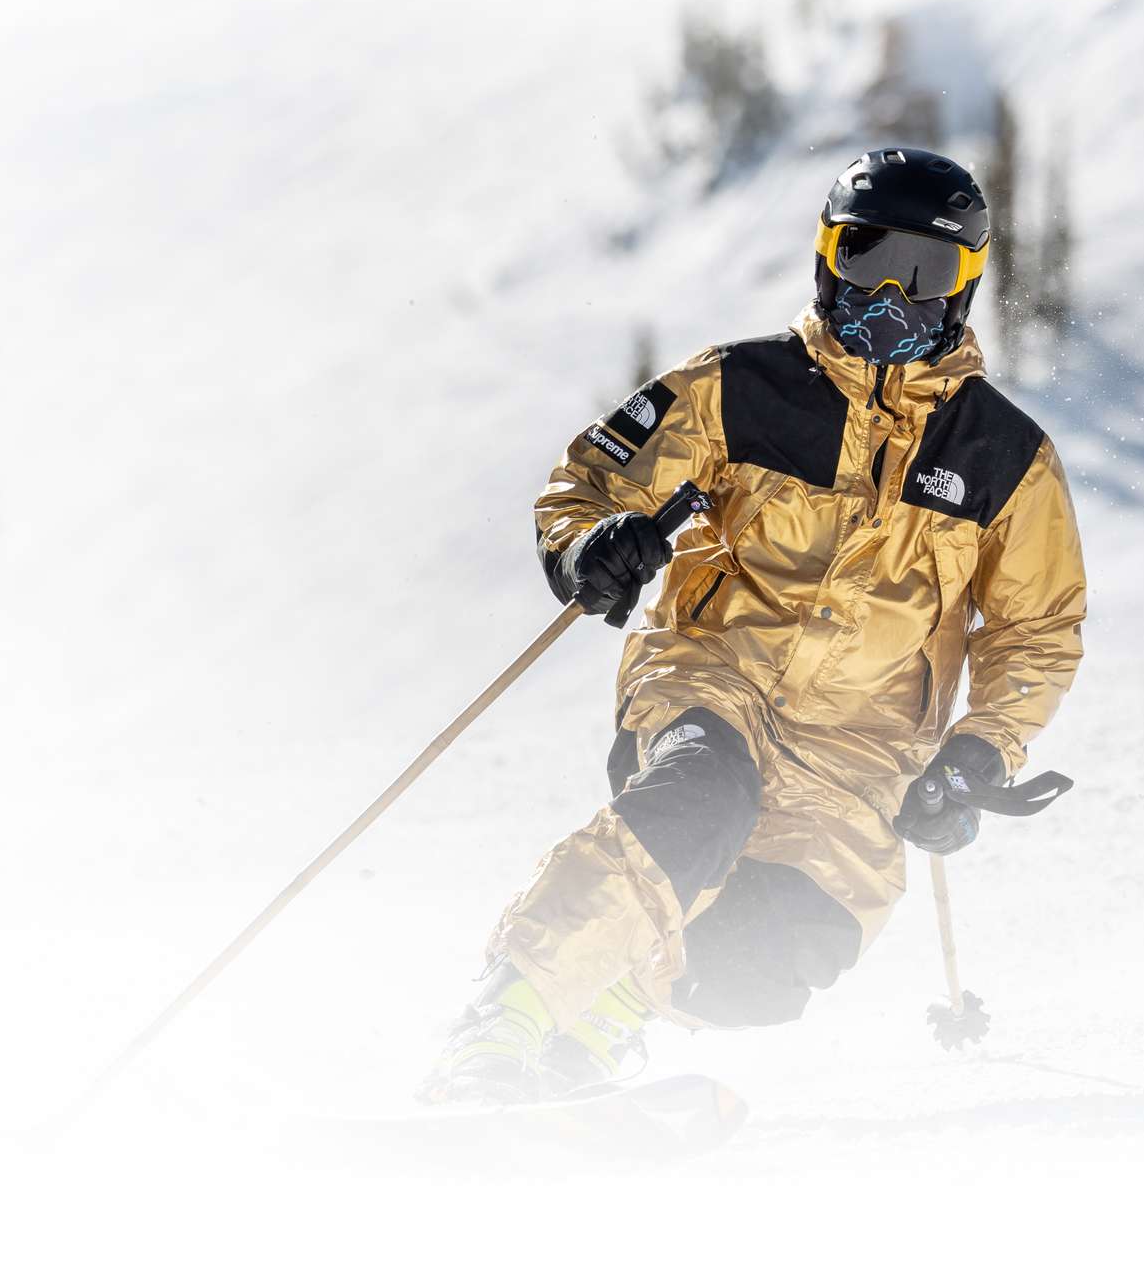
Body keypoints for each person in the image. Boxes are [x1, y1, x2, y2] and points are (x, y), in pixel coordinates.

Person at [424, 147, 1087, 1102]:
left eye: (929, 274)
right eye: (869, 261)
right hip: (713, 680)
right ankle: (502, 1024)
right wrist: (591, 548)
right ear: (827, 258)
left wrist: (981, 750)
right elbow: (591, 481)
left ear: (967, 288)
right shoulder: (741, 389)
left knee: (788, 945)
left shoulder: (1004, 458)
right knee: (702, 802)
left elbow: (1038, 628)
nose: (893, 298)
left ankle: (596, 1030)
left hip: (865, 750)